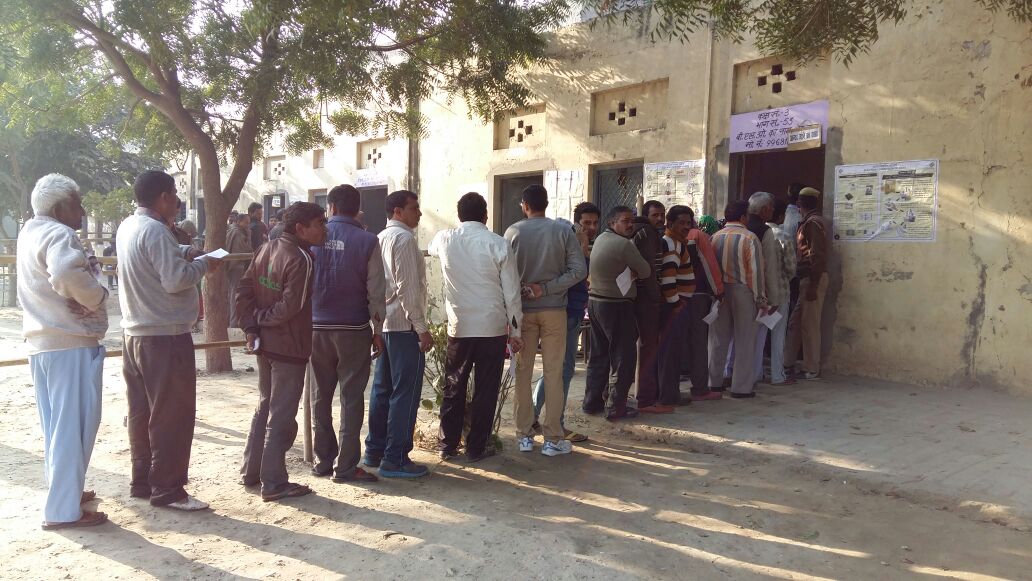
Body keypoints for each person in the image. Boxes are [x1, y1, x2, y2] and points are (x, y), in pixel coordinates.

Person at [117, 170, 222, 510]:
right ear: (163, 197)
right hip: (164, 337)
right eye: (175, 195)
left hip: (136, 335)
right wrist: (204, 264)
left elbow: (159, 253)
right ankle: (169, 490)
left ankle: (144, 482)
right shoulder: (154, 231)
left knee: (141, 412)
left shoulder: (129, 226)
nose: (177, 202)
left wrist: (186, 251)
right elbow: (175, 280)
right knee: (172, 415)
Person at [18, 174, 110, 530]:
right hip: (69, 341)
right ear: (60, 208)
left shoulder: (30, 231)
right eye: (77, 203)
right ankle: (63, 510)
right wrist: (95, 297)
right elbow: (65, 272)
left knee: (57, 426)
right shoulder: (58, 234)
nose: (82, 211)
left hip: (43, 344)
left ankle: (65, 493)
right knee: (73, 426)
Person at [236, 201, 327, 501]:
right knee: (281, 414)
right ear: (301, 228)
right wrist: (259, 322)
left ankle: (252, 471)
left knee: (266, 406)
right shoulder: (301, 258)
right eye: (319, 223)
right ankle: (273, 483)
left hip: (266, 343)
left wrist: (252, 327)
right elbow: (290, 307)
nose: (324, 229)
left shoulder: (266, 247)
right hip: (288, 345)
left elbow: (245, 290)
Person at [429, 192, 525, 463]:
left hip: (459, 327)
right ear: (486, 215)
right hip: (492, 327)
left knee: (453, 385)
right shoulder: (498, 244)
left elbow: (432, 249)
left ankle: (447, 444)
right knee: (486, 388)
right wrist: (516, 332)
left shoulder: (444, 239)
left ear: (459, 215)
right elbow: (512, 292)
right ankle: (476, 447)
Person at [309, 185, 385, 483]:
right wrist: (378, 331)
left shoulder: (312, 238)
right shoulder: (368, 241)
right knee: (351, 399)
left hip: (315, 328)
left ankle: (322, 461)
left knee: (320, 396)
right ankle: (346, 466)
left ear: (331, 208)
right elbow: (376, 292)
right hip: (353, 330)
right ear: (358, 209)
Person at [504, 185, 586, 455]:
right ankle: (552, 439)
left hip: (522, 312)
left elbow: (505, 276)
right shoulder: (563, 231)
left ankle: (524, 435)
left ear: (524, 205)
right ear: (547, 204)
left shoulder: (513, 232)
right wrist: (548, 288)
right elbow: (579, 270)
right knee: (553, 374)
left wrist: (525, 293)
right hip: (554, 311)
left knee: (524, 372)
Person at [365, 190, 432, 478]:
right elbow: (407, 288)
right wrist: (421, 328)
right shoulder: (403, 239)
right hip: (404, 326)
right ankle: (395, 458)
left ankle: (375, 450)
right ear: (397, 211)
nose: (418, 213)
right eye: (413, 208)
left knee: (383, 389)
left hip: (387, 324)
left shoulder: (380, 237)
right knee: (404, 393)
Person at [531, 202, 598, 444]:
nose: (590, 228)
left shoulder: (573, 243)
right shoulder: (569, 242)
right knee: (564, 369)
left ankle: (532, 416)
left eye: (594, 223)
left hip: (569, 312)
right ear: (577, 222)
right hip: (565, 313)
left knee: (554, 368)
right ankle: (555, 425)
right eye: (586, 223)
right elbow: (574, 276)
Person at [583, 205, 651, 420]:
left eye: (632, 220)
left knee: (599, 355)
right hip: (616, 305)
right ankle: (616, 406)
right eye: (625, 221)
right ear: (613, 223)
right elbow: (646, 271)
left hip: (595, 303)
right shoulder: (623, 245)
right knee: (623, 358)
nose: (630, 224)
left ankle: (592, 402)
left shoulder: (602, 238)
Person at [657, 205, 724, 407]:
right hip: (680, 304)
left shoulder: (679, 242)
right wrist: (677, 304)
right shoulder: (673, 244)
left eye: (689, 222)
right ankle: (672, 395)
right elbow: (668, 279)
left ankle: (669, 394)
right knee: (677, 350)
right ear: (670, 223)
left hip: (681, 302)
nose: (686, 227)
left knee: (674, 351)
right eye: (681, 223)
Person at [708, 200, 766, 399]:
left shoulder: (714, 238)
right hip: (743, 291)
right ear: (743, 217)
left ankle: (713, 383)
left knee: (717, 339)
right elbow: (755, 272)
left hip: (720, 292)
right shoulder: (750, 238)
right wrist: (760, 299)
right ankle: (741, 388)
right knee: (745, 340)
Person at [786, 187, 829, 380]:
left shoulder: (812, 223)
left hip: (812, 278)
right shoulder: (812, 221)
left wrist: (813, 285)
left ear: (798, 204)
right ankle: (786, 362)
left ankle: (811, 368)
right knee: (796, 323)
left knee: (809, 324)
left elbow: (817, 257)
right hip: (808, 278)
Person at [746, 192, 786, 384]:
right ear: (763, 210)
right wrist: (774, 299)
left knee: (736, 338)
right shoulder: (765, 231)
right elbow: (769, 268)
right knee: (758, 336)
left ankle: (732, 374)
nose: (772, 210)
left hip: (736, 290)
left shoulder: (738, 228)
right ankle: (753, 375)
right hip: (759, 293)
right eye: (770, 207)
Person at [630, 200, 665, 413]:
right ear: (646, 215)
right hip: (645, 295)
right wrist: (655, 295)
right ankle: (645, 398)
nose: (660, 219)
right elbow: (649, 270)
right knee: (648, 346)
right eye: (655, 215)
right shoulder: (647, 233)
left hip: (633, 294)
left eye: (662, 215)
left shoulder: (636, 231)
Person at [764, 199, 798, 385]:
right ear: (779, 216)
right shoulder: (783, 236)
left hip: (761, 293)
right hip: (781, 292)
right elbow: (791, 268)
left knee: (758, 336)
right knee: (778, 335)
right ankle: (777, 375)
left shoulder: (756, 233)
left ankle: (755, 373)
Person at [225, 212, 252, 326]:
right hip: (236, 266)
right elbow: (245, 249)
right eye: (246, 223)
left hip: (234, 266)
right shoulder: (237, 233)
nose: (247, 225)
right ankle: (233, 322)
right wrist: (249, 236)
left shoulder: (235, 231)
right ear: (239, 221)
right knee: (234, 294)